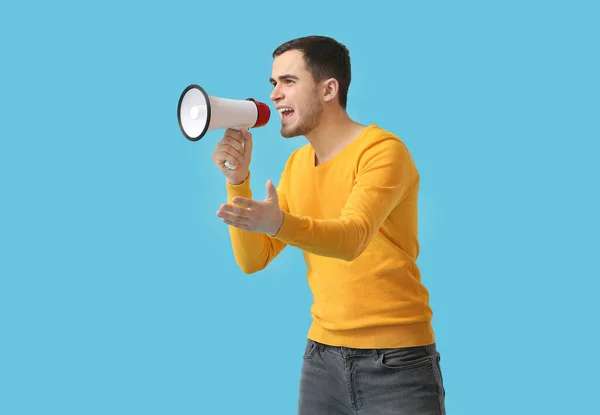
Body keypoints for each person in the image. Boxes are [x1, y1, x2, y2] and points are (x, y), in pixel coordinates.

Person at [212, 35, 446, 415]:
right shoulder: (297, 166)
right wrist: (238, 179)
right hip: (321, 360)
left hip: (397, 361)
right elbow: (253, 259)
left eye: (288, 81)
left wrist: (280, 223)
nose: (274, 95)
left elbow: (351, 238)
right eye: (273, 84)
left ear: (328, 89)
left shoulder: (382, 151)